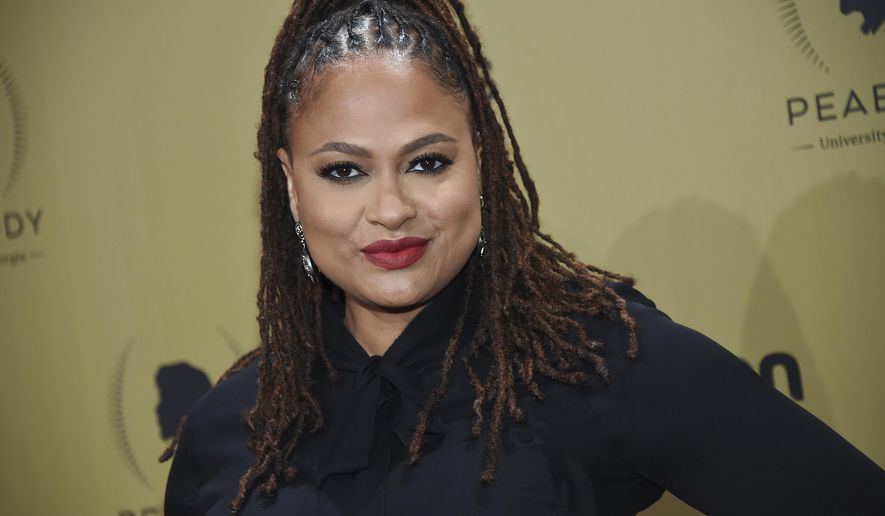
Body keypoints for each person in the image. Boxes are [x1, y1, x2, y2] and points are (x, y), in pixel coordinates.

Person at [161, 1, 885, 514]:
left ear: (481, 158)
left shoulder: (595, 361)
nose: (389, 208)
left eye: (426, 162)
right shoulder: (232, 429)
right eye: (343, 171)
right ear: (289, 185)